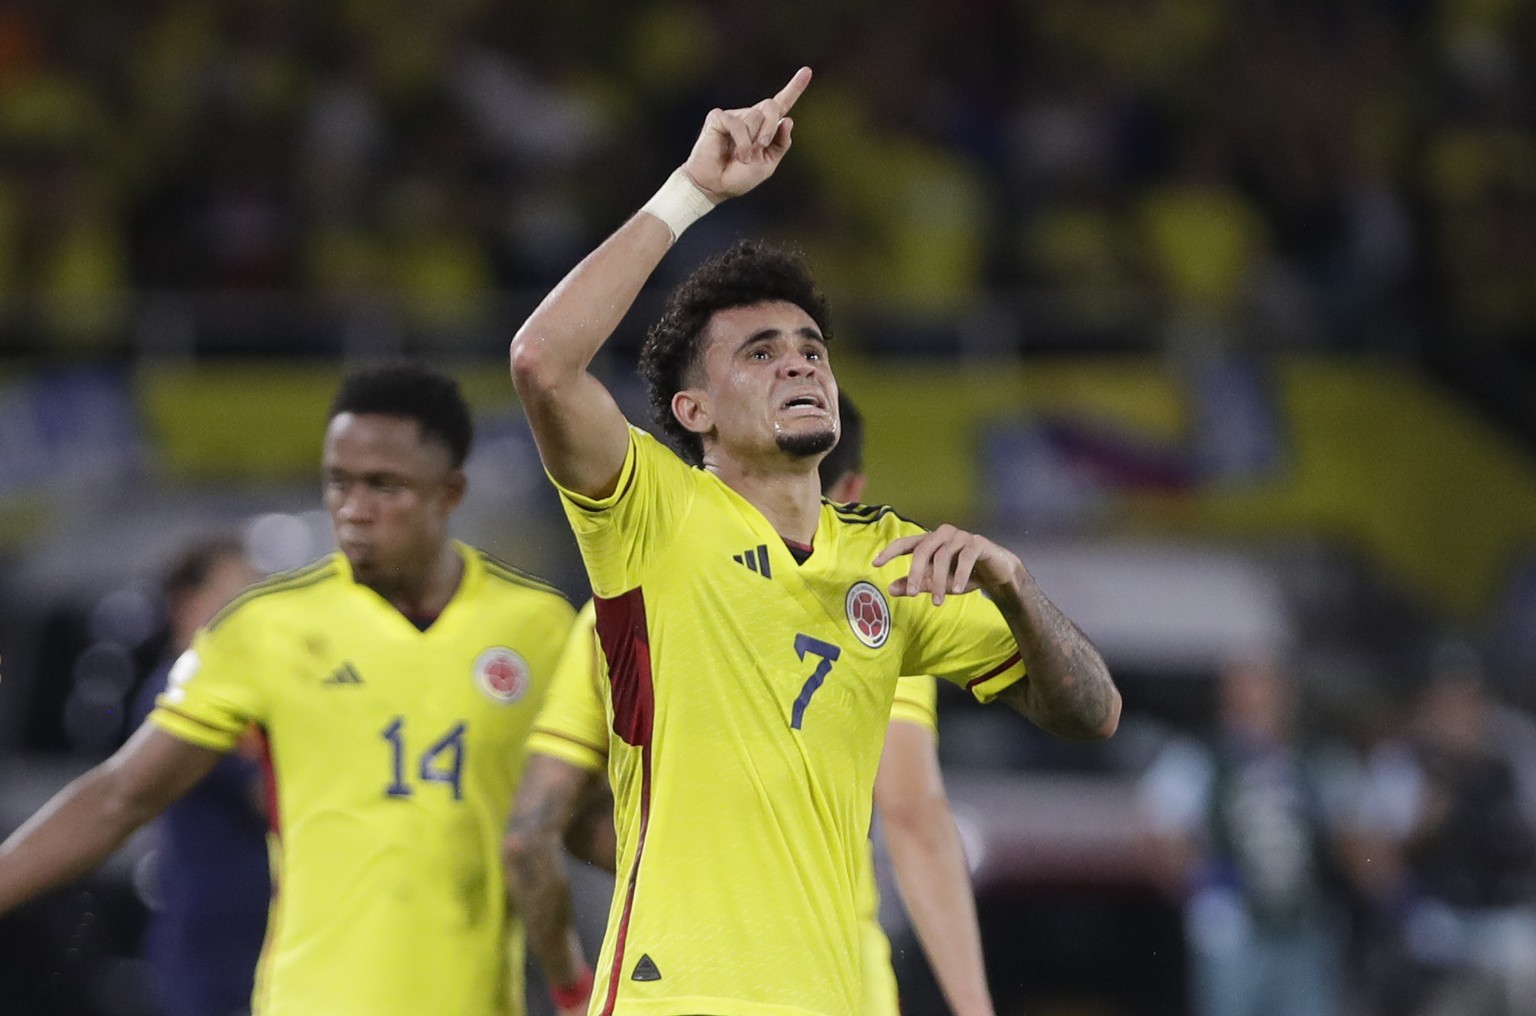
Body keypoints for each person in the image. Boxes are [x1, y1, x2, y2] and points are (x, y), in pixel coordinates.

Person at [508, 66, 1119, 1016]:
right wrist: (692, 194)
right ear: (692, 410)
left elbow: (1091, 714)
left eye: (810, 346)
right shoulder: (651, 515)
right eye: (760, 352)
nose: (799, 358)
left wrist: (1014, 585)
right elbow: (543, 364)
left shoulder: (891, 561)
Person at [0, 362, 576, 1016]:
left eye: (384, 485)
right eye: (340, 484)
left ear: (449, 493)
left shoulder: (538, 629)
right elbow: (120, 794)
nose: (355, 509)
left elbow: (585, 817)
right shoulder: (265, 630)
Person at [506, 393, 998, 1016]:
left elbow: (535, 832)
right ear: (850, 492)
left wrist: (578, 978)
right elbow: (912, 815)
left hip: (671, 980)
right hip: (840, 986)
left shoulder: (616, 617)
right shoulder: (875, 606)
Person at [1137, 653, 1361, 1016]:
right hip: (1236, 928)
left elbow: (1356, 830)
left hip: (1308, 925)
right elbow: (1157, 832)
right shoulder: (1199, 756)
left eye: (1268, 695)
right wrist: (1202, 881)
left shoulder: (1317, 758)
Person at [128, 535, 267, 1016]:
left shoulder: (247, 691)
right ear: (188, 603)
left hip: (256, 932)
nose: (255, 610)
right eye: (238, 594)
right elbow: (268, 796)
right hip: (213, 941)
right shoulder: (179, 694)